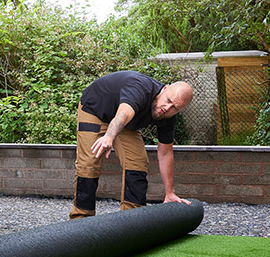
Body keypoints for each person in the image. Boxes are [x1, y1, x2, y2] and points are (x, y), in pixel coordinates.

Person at [69, 71, 193, 219]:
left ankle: (132, 220)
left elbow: (165, 153)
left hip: (126, 122)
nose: (167, 108)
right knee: (89, 163)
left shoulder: (168, 117)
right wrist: (109, 136)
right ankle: (80, 219)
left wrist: (169, 192)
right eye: (168, 100)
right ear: (165, 88)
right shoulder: (140, 88)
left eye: (175, 108)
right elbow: (123, 114)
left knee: (137, 162)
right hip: (96, 108)